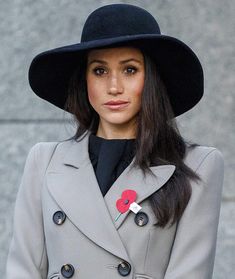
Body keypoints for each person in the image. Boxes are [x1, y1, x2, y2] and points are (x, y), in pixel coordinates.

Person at [6, 3, 224, 279]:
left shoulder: (198, 165)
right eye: (99, 71)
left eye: (130, 70)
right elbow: (21, 270)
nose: (113, 87)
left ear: (152, 78)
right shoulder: (44, 160)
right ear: (84, 80)